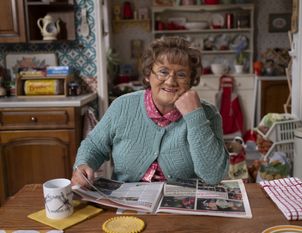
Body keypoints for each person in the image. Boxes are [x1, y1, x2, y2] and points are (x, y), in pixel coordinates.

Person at [71, 36, 229, 187]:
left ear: (191, 80)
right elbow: (94, 145)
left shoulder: (207, 114)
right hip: (128, 206)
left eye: (181, 74)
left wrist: (195, 117)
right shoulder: (122, 106)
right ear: (148, 75)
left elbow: (214, 176)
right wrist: (83, 164)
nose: (171, 81)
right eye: (163, 72)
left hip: (181, 207)